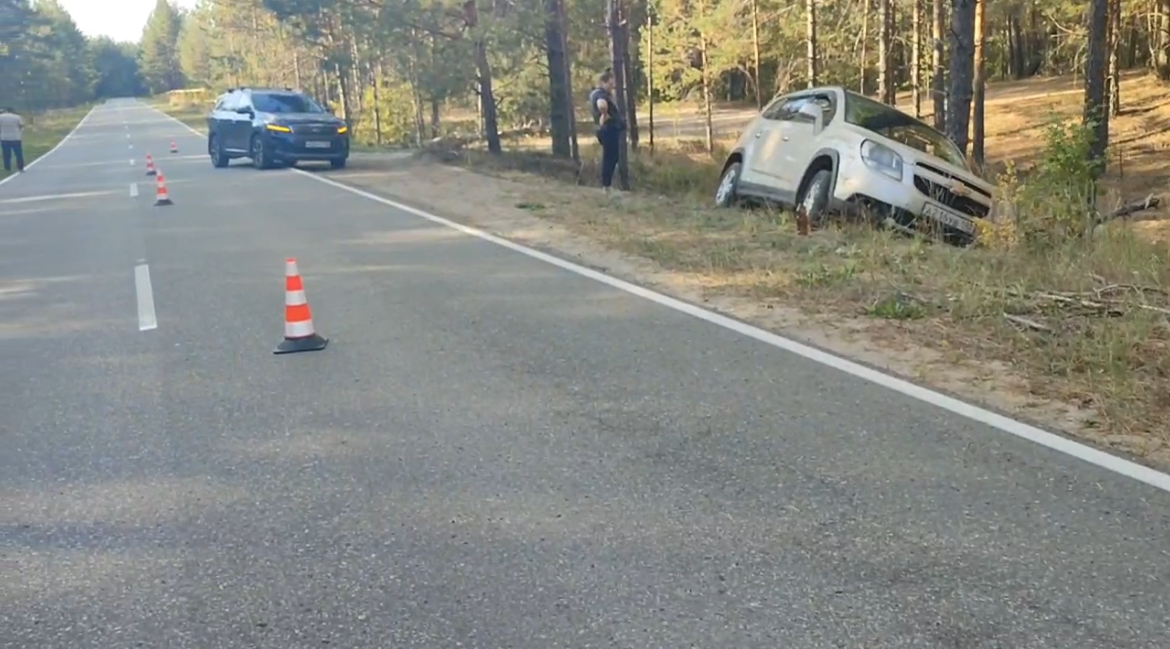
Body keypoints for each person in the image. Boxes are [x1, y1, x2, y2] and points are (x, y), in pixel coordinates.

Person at [588, 69, 625, 196]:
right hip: (607, 129)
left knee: (612, 157)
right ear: (603, 82)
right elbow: (602, 105)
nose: (612, 86)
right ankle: (606, 187)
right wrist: (605, 114)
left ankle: (607, 185)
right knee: (609, 158)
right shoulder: (600, 94)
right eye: (610, 84)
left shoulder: (599, 93)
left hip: (608, 129)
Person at [0, 107, 25, 174]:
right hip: (16, 137)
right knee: (18, 154)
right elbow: (21, 126)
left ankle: (7, 167)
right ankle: (20, 167)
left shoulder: (1, 117)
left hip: (4, 138)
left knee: (6, 154)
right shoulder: (17, 117)